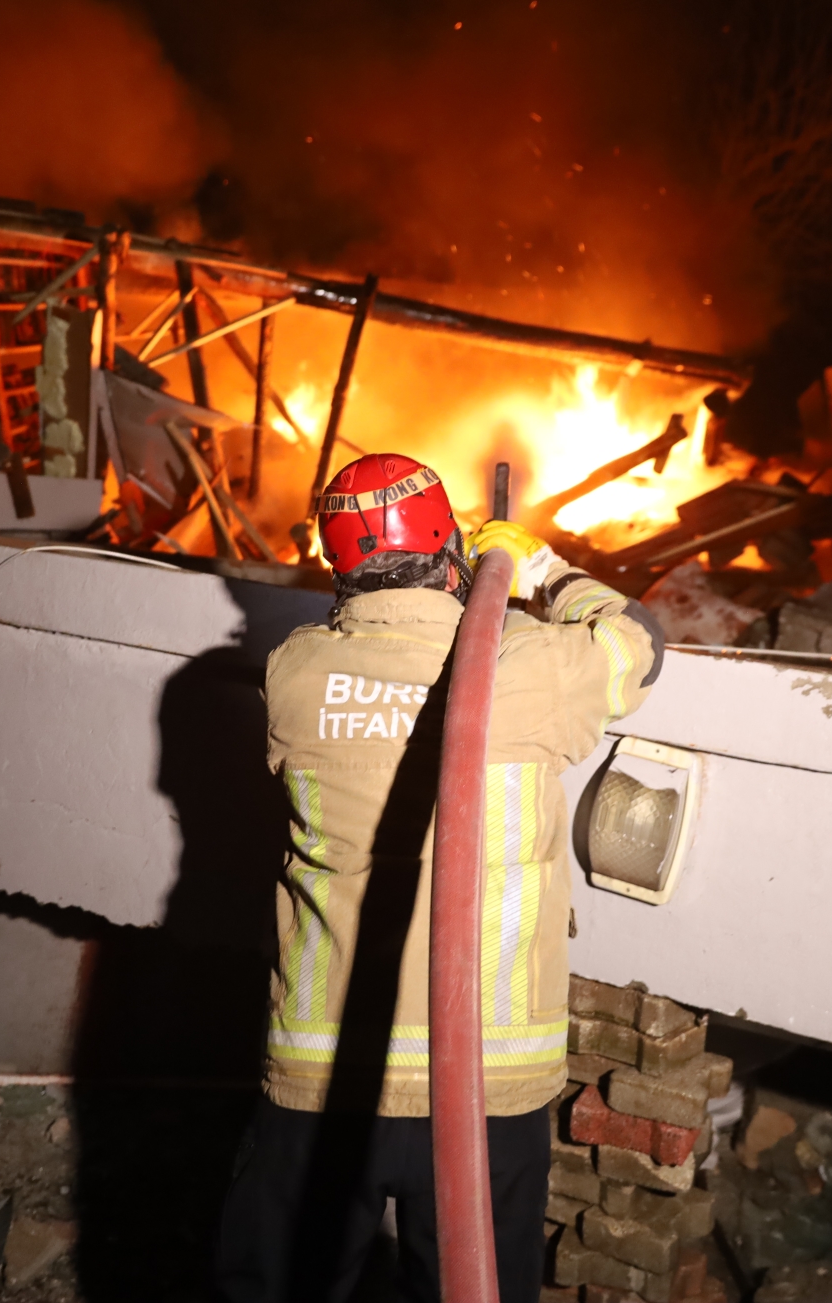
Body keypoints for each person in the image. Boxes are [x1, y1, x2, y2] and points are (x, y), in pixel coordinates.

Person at [215, 452, 667, 1303]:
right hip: (486, 1090)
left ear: (337, 564)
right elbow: (641, 643)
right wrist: (539, 568)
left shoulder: (295, 672)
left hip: (322, 1082)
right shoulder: (530, 663)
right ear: (451, 551)